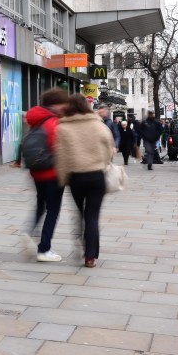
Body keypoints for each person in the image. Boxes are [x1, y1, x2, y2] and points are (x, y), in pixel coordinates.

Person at [54, 94, 115, 268]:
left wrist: (63, 178)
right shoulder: (98, 125)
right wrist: (102, 165)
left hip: (76, 178)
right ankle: (90, 256)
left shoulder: (62, 128)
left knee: (80, 213)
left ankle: (81, 244)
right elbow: (109, 150)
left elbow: (61, 157)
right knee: (92, 216)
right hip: (96, 176)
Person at [23, 88, 70, 262]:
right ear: (56, 104)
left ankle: (29, 232)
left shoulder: (36, 119)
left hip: (36, 173)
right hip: (52, 173)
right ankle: (44, 249)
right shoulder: (52, 122)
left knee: (40, 205)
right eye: (63, 103)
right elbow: (58, 149)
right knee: (53, 210)